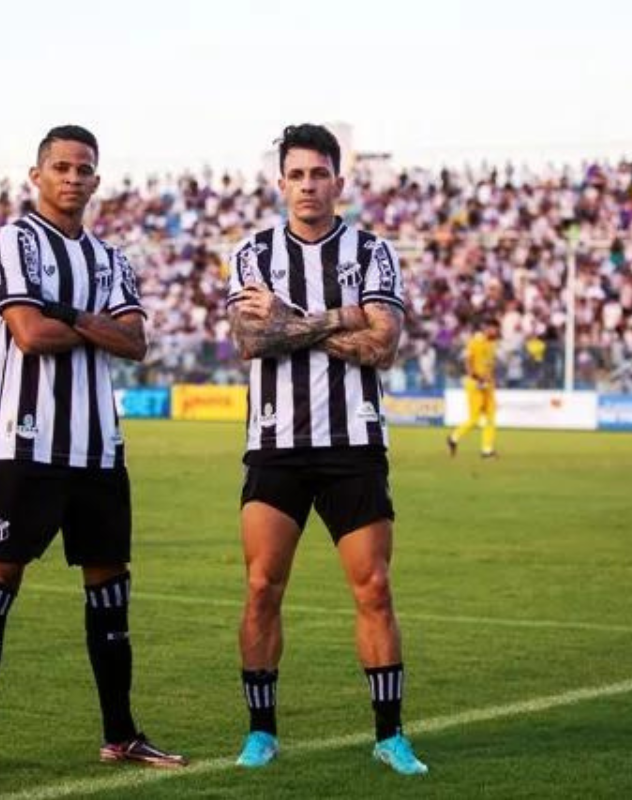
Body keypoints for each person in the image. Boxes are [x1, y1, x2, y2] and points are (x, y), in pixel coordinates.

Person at [0, 125, 187, 782]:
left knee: (109, 590)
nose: (73, 178)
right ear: (37, 175)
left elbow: (135, 343)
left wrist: (69, 314)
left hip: (99, 451)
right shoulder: (14, 240)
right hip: (26, 447)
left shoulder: (112, 258)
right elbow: (28, 333)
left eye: (84, 169)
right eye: (61, 167)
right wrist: (91, 323)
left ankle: (121, 734)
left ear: (97, 180)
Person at [225, 123, 427, 776]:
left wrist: (293, 320)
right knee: (261, 587)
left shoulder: (373, 252)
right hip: (275, 448)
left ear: (339, 181)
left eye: (319, 174)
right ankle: (262, 732)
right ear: (280, 182)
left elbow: (384, 344)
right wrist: (341, 317)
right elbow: (253, 341)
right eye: (297, 175)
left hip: (354, 445)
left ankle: (390, 735)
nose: (308, 185)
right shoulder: (252, 253)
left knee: (373, 588)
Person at [447, 318, 500, 458]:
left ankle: (487, 450)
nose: (496, 331)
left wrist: (491, 379)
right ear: (487, 328)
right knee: (474, 419)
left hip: (488, 385)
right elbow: (468, 361)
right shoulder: (476, 341)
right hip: (475, 384)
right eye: (494, 328)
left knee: (491, 417)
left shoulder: (492, 343)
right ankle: (453, 437)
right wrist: (476, 377)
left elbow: (489, 364)